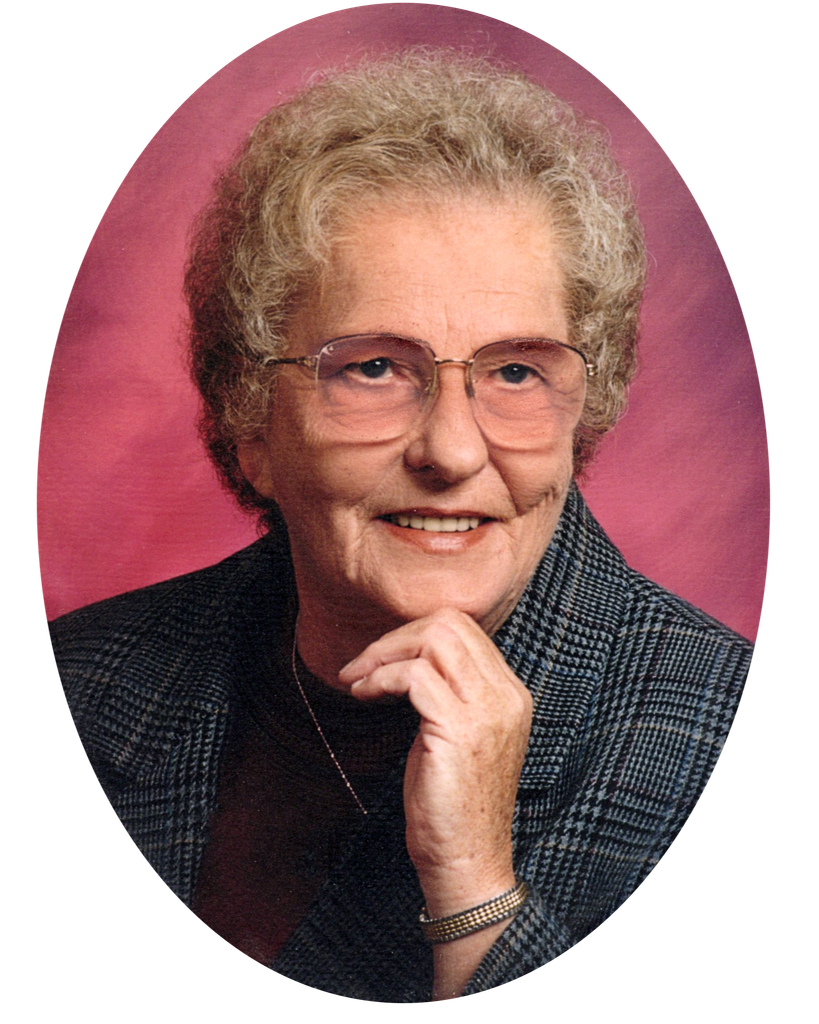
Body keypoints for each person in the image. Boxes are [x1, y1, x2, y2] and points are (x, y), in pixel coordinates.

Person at [48, 51, 753, 1002]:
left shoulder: (705, 734)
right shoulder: (89, 678)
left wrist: (475, 892)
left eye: (515, 372)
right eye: (373, 368)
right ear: (250, 422)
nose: (452, 451)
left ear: (581, 413)